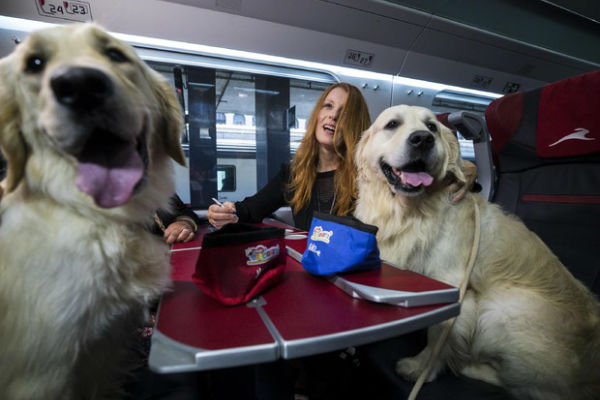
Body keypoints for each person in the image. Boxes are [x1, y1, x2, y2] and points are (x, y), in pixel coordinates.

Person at [207, 82, 476, 231]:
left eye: (343, 111)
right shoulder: (292, 173)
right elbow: (249, 210)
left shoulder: (373, 173)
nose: (333, 116)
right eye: (328, 106)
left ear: (354, 122)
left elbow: (430, 189)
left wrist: (463, 170)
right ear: (316, 116)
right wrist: (227, 212)